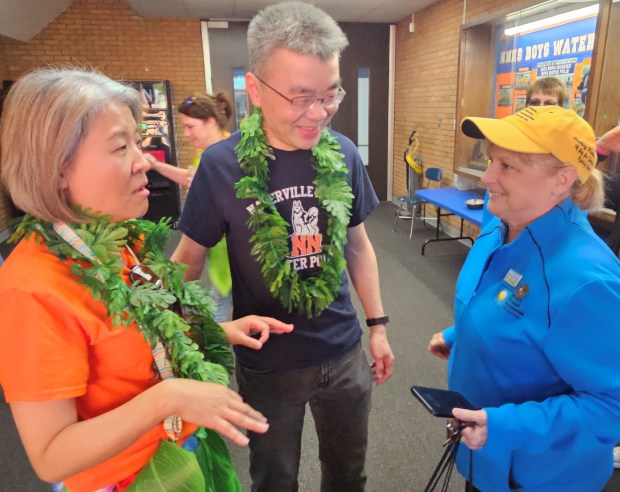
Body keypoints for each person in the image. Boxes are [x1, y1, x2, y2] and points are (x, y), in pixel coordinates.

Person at [0, 67, 294, 492]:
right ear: (57, 168)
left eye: (137, 142)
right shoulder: (31, 288)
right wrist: (170, 398)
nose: (145, 161)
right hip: (125, 479)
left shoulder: (120, 243)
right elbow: (50, 456)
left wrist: (218, 330)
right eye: (122, 146)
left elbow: (148, 330)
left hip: (176, 450)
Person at [172, 2, 395, 490]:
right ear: (255, 89)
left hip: (344, 350)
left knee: (348, 474)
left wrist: (377, 325)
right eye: (300, 97)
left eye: (330, 93)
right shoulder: (221, 165)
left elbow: (358, 245)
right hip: (269, 362)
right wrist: (201, 327)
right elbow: (183, 266)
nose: (319, 113)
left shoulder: (343, 153)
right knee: (274, 480)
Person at [428, 105, 620, 491]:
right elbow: (509, 308)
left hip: (538, 475)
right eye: (491, 161)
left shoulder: (587, 280)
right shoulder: (500, 224)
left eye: (507, 166)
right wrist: (459, 333)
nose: (487, 177)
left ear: (562, 180)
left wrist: (502, 426)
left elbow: (611, 406)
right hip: (484, 454)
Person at [146, 92, 235, 322]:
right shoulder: (205, 155)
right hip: (218, 253)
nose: (186, 134)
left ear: (210, 122)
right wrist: (156, 165)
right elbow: (188, 177)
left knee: (219, 308)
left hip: (234, 252)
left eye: (190, 126)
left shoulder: (230, 154)